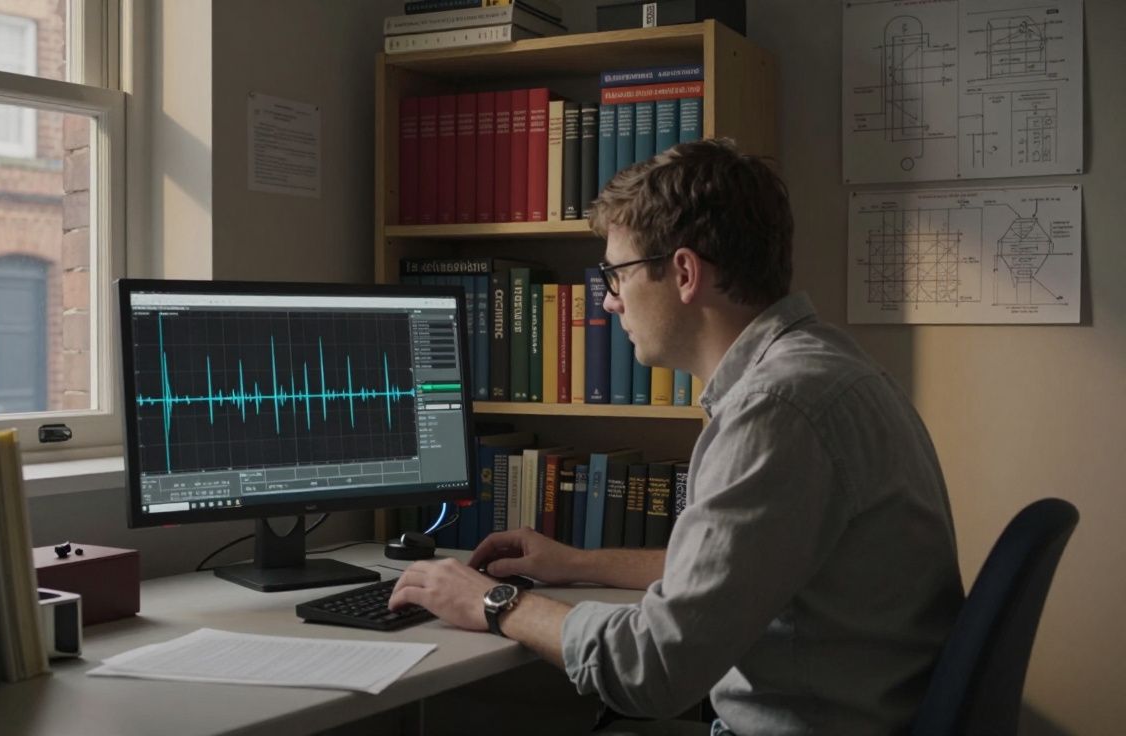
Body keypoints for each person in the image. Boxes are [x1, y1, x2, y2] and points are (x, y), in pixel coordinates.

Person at [388, 139, 964, 735]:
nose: (609, 301)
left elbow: (652, 671)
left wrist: (494, 604)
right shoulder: (828, 370)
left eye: (616, 274)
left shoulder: (775, 410)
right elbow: (737, 571)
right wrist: (581, 563)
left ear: (684, 272)